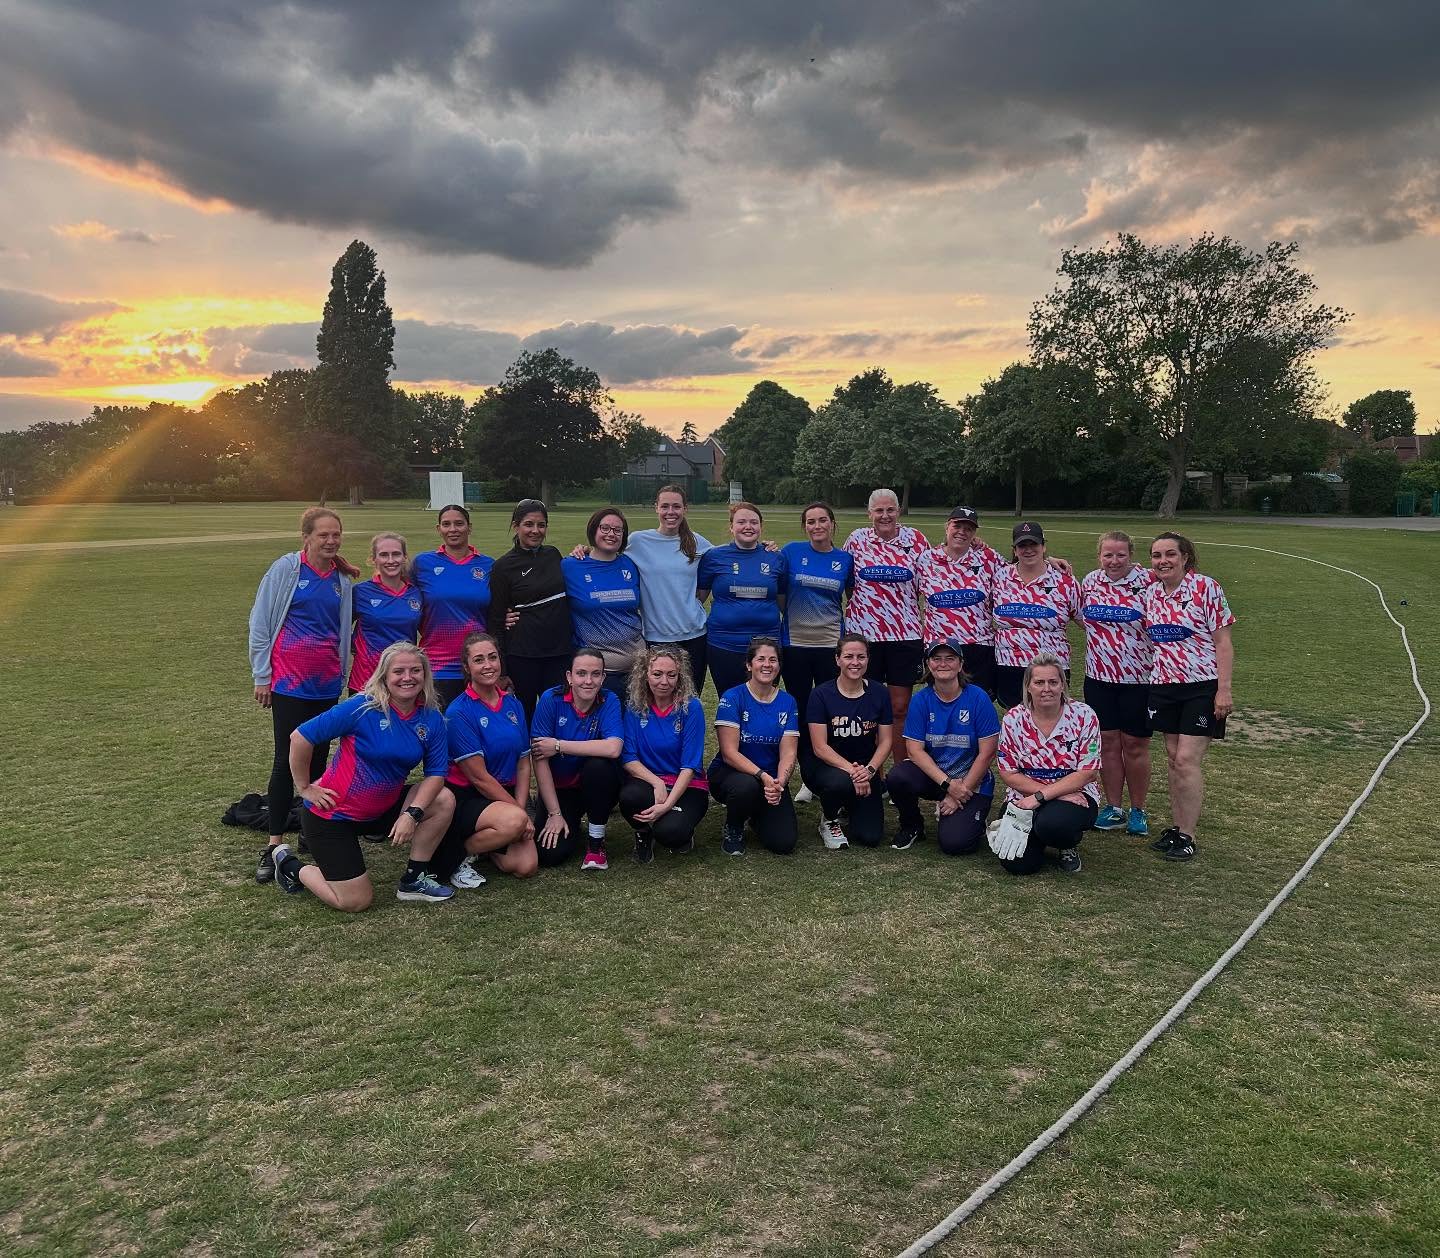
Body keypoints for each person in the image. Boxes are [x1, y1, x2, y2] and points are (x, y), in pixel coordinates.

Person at [269, 643, 456, 910]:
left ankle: (414, 879)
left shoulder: (431, 717)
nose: (407, 677)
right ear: (384, 676)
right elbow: (299, 738)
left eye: (416, 670)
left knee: (443, 799)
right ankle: (289, 864)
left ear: (425, 675)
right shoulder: (362, 707)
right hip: (333, 816)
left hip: (381, 810)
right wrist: (304, 787)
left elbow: (436, 774)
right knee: (356, 901)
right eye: (398, 671)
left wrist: (411, 814)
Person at [249, 506, 356, 886]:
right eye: (323, 535)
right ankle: (275, 843)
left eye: (336, 535)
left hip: (327, 684)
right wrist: (262, 675)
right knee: (286, 759)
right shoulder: (287, 569)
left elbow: (343, 629)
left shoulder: (342, 579)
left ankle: (310, 832)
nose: (330, 541)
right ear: (306, 537)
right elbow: (261, 622)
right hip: (289, 683)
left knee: (319, 763)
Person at [1143, 532, 1236, 863]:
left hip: (1202, 685)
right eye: (1156, 555)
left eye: (1170, 554)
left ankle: (1188, 835)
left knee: (1186, 760)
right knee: (1172, 758)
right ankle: (1177, 827)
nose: (1163, 560)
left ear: (1186, 558)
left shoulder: (1206, 588)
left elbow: (1223, 643)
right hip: (1164, 685)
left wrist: (1223, 689)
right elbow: (1115, 571)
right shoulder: (1151, 592)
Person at [429, 632, 538, 887]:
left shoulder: (513, 703)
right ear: (467, 668)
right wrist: (519, 816)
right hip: (467, 797)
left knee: (525, 866)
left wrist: (520, 809)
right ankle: (460, 852)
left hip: (504, 795)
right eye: (479, 660)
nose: (488, 665)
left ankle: (490, 841)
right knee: (514, 822)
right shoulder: (459, 711)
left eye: (492, 657)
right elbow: (479, 779)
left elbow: (524, 762)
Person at [885, 639, 1000, 854]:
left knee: (955, 844)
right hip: (938, 778)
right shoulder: (921, 700)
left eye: (950, 658)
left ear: (960, 664)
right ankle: (912, 826)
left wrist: (961, 790)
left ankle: (976, 820)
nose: (943, 664)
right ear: (929, 664)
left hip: (971, 781)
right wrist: (949, 787)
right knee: (899, 776)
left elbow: (987, 753)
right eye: (936, 659)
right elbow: (914, 751)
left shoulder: (978, 698)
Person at [994, 652, 1102, 875]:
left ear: (1063, 685)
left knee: (1053, 825)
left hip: (1077, 794)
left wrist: (1042, 797)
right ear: (1028, 687)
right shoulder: (1013, 719)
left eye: (1053, 682)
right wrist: (1051, 794)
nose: (1046, 689)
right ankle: (1037, 838)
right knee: (1017, 865)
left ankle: (1066, 844)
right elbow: (1009, 773)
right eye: (1039, 682)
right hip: (1025, 796)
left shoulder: (1084, 715)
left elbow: (1088, 772)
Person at [843, 488, 929, 762]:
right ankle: (873, 773)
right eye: (879, 511)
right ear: (869, 513)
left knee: (899, 707)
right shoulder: (856, 540)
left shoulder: (915, 539)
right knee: (868, 706)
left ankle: (900, 772)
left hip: (904, 634)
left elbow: (935, 572)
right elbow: (843, 578)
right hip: (863, 635)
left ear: (898, 511)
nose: (885, 515)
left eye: (890, 510)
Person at [1080, 531, 1155, 836]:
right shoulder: (1090, 582)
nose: (1114, 561)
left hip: (1139, 678)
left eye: (1120, 555)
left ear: (1131, 555)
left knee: (1135, 745)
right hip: (1098, 676)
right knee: (1108, 744)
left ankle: (1138, 810)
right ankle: (1114, 808)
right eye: (1108, 555)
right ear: (1099, 556)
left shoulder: (1149, 581)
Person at [530, 648, 625, 871]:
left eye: (595, 674)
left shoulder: (609, 699)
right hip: (561, 790)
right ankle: (566, 819)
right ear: (569, 677)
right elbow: (539, 757)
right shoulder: (550, 699)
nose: (588, 681)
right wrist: (554, 814)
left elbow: (613, 748)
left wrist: (558, 745)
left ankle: (596, 841)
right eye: (581, 674)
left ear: (603, 677)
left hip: (595, 786)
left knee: (598, 766)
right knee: (549, 855)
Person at [709, 637, 801, 856]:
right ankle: (734, 827)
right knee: (746, 787)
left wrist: (779, 784)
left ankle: (756, 814)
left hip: (771, 779)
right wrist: (763, 776)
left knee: (783, 843)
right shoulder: (733, 697)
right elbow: (729, 753)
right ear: (749, 665)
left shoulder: (788, 702)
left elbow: (789, 752)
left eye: (773, 660)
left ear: (779, 666)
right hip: (733, 775)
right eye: (761, 659)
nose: (767, 665)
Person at [618, 645, 710, 862]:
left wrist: (667, 805)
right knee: (629, 797)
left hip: (687, 786)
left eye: (671, 675)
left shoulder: (691, 708)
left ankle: (676, 827)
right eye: (657, 674)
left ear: (680, 677)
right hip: (650, 783)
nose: (664, 681)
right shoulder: (634, 706)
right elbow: (628, 756)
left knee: (671, 833)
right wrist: (657, 784)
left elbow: (690, 766)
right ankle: (642, 833)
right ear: (645, 674)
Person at [802, 633, 893, 850]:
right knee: (839, 783)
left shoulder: (880, 692)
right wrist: (852, 772)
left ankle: (849, 807)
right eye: (849, 656)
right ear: (837, 659)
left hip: (864, 767)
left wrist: (870, 770)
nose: (855, 662)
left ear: (868, 659)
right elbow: (819, 747)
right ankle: (829, 818)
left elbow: (886, 741)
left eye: (861, 657)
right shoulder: (821, 694)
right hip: (826, 765)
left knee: (870, 837)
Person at [622, 483, 713, 690]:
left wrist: (765, 547)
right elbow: (605, 551)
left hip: (695, 636)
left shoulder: (698, 542)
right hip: (655, 638)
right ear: (656, 508)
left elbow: (726, 559)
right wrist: (582, 550)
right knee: (657, 701)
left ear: (685, 509)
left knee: (689, 701)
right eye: (665, 506)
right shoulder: (638, 541)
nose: (670, 512)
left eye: (676, 506)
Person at [490, 498, 571, 719]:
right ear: (516, 526)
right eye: (528, 524)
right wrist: (502, 670)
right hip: (523, 656)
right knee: (524, 716)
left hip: (559, 653)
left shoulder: (553, 554)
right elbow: (496, 621)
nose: (535, 530)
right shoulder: (503, 567)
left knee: (557, 715)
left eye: (541, 525)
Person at [698, 501, 787, 696]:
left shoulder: (776, 558)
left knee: (763, 700)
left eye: (754, 522)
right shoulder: (714, 557)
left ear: (761, 527)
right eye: (741, 522)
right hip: (723, 645)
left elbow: (783, 603)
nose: (748, 526)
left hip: (767, 647)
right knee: (729, 700)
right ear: (731, 527)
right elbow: (698, 600)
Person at [914, 506, 1003, 698]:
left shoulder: (989, 558)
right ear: (947, 526)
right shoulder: (925, 560)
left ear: (975, 533)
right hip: (939, 646)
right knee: (942, 704)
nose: (962, 532)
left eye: (969, 528)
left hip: (979, 645)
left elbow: (1019, 571)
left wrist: (1048, 560)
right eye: (957, 525)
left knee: (977, 704)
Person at [991, 521, 1082, 708]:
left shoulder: (1065, 581)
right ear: (1014, 550)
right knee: (1016, 721)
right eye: (1022, 545)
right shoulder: (999, 577)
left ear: (1044, 546)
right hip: (1009, 664)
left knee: (1050, 718)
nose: (1028, 550)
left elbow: (1084, 620)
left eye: (1034, 544)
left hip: (1052, 666)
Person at [412, 504, 494, 709]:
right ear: (438, 529)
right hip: (437, 666)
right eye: (446, 524)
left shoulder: (488, 565)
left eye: (459, 523)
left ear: (469, 527)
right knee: (439, 731)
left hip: (478, 665)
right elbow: (398, 590)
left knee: (474, 732)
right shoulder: (423, 563)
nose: (453, 529)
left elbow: (500, 611)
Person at [780, 501, 853, 720]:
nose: (817, 526)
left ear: (832, 523)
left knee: (829, 702)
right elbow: (780, 593)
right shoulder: (791, 551)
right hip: (795, 643)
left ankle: (826, 751)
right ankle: (803, 753)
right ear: (805, 527)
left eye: (822, 520)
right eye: (811, 522)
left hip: (830, 643)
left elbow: (851, 598)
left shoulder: (845, 559)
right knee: (799, 702)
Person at [562, 508, 643, 695]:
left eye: (617, 530)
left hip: (638, 671)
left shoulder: (630, 564)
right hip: (597, 675)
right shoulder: (570, 566)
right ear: (593, 530)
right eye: (605, 528)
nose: (611, 534)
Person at [348, 531, 423, 694]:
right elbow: (339, 627)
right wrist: (355, 646)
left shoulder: (415, 593)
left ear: (404, 557)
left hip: (404, 681)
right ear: (374, 559)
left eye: (396, 554)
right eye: (383, 555)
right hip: (366, 681)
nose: (391, 560)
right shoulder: (360, 592)